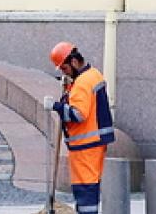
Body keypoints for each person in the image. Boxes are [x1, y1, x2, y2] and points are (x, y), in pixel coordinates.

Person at [44, 42, 115, 214]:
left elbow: (78, 115)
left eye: (65, 68)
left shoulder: (82, 83)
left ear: (74, 62)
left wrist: (56, 106)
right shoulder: (93, 74)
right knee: (90, 187)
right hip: (93, 144)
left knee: (85, 190)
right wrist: (69, 88)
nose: (64, 72)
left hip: (85, 146)